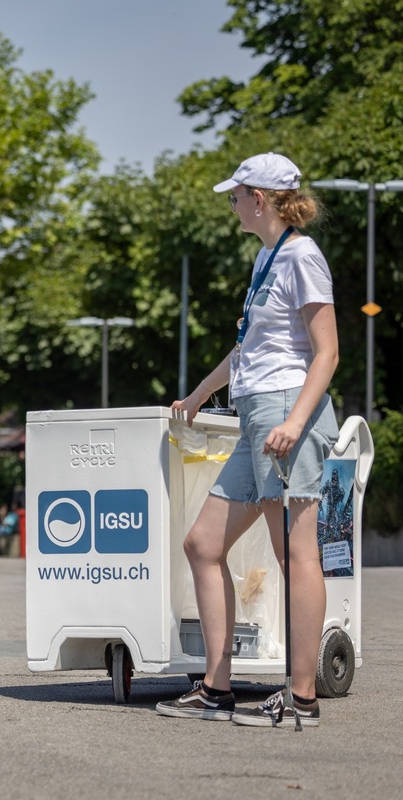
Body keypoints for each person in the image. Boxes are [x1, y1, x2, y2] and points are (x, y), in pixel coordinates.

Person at [156, 153, 339, 728]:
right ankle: (216, 687)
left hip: (286, 417)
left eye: (235, 196)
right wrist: (197, 395)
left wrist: (293, 423)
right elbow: (247, 353)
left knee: (296, 555)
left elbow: (327, 351)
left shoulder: (302, 256)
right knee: (202, 545)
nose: (231, 204)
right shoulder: (268, 257)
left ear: (258, 199)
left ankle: (302, 698)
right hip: (257, 420)